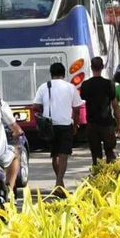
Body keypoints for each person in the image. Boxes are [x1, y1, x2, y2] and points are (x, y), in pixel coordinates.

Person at [32, 62, 84, 191]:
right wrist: (76, 124)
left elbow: (35, 106)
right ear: (64, 73)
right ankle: (59, 182)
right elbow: (77, 108)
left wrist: (46, 109)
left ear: (51, 73)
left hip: (49, 125)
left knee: (54, 155)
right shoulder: (70, 87)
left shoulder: (44, 87)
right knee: (63, 155)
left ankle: (59, 183)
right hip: (65, 125)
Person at [81, 57, 120, 165]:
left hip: (92, 124)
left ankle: (97, 176)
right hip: (107, 123)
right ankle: (112, 175)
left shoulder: (85, 85)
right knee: (110, 152)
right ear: (102, 67)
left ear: (91, 68)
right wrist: (119, 123)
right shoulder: (109, 84)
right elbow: (115, 105)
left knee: (96, 155)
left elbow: (82, 101)